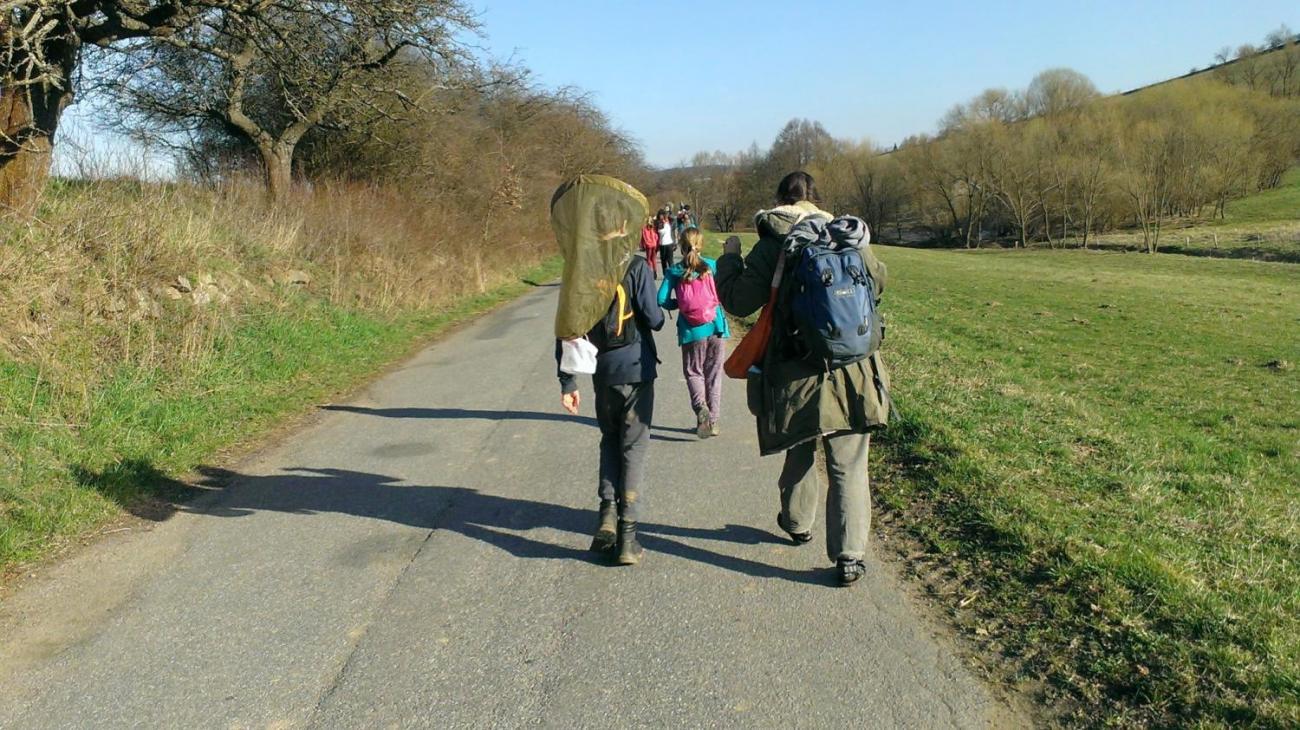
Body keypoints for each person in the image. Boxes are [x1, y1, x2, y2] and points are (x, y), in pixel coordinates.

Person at [715, 171, 891, 587]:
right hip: (853, 370)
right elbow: (879, 283)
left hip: (795, 369)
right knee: (848, 464)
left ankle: (797, 523)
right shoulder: (846, 234)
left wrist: (729, 258)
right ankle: (849, 556)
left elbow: (738, 300)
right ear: (818, 199)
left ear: (780, 199)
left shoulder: (773, 241)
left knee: (798, 448)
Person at [557, 253, 664, 565]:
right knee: (634, 448)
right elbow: (654, 319)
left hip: (602, 371)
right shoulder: (636, 265)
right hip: (637, 370)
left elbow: (566, 325)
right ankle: (628, 537)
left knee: (609, 439)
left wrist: (567, 382)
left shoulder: (582, 268)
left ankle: (607, 512)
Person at [657, 226, 730, 439]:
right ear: (701, 244)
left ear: (681, 244)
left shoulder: (674, 271)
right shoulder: (712, 266)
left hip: (691, 331)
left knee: (693, 371)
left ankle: (701, 409)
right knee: (713, 374)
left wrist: (678, 304)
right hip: (716, 326)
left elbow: (660, 299)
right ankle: (713, 422)